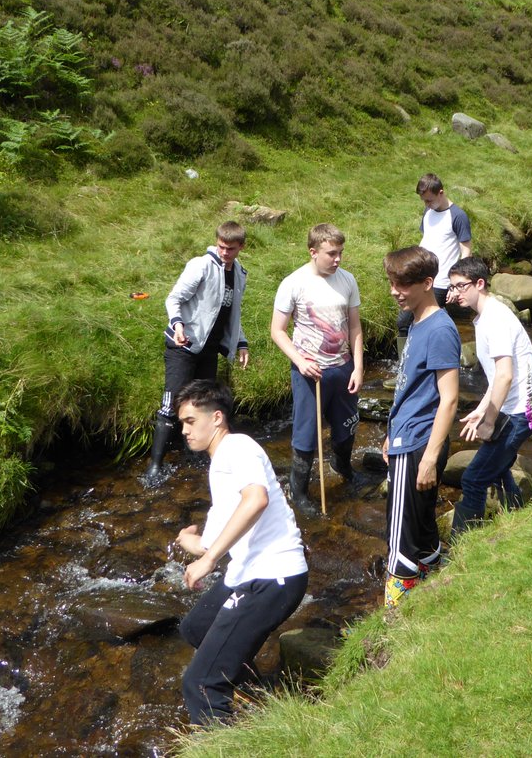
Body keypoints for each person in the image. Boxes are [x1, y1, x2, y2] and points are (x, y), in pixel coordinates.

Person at [171, 380, 308, 728]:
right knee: (196, 628)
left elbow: (256, 500)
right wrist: (193, 544)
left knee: (199, 684)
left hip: (274, 577)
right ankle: (258, 700)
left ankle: (223, 741)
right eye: (182, 423)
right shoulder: (220, 464)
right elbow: (217, 536)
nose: (184, 430)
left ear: (216, 418)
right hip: (250, 573)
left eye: (190, 421)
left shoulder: (237, 447)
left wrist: (209, 559)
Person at [382, 246, 460, 607]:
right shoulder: (415, 320)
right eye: (392, 282)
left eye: (403, 284)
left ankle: (391, 622)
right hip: (406, 434)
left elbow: (449, 399)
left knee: (399, 538)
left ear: (428, 283)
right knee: (423, 527)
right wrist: (389, 433)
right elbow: (410, 386)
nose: (395, 291)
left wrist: (429, 457)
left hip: (418, 443)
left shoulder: (440, 330)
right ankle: (433, 594)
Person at [447, 257, 532, 538]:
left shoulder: (495, 318)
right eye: (453, 287)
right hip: (518, 405)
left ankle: (463, 547)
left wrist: (489, 421)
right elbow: (497, 377)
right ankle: (517, 522)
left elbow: (505, 376)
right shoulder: (484, 315)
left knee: (473, 478)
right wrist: (482, 408)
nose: (455, 293)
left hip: (522, 411)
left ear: (480, 284)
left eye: (461, 286)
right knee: (500, 467)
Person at [271, 224, 364, 517]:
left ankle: (342, 464)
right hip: (310, 373)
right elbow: (277, 331)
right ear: (313, 252)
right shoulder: (293, 283)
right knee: (306, 434)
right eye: (331, 253)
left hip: (343, 368)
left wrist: (359, 367)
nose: (337, 259)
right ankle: (298, 491)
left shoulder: (347, 280)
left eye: (340, 253)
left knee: (346, 426)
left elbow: (354, 326)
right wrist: (300, 361)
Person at [149, 222, 250, 477]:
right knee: (171, 404)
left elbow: (231, 314)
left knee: (202, 405)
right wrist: (177, 324)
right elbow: (174, 298)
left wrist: (240, 342)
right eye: (221, 247)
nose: (225, 253)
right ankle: (155, 466)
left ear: (241, 247)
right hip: (183, 345)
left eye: (231, 248)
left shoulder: (239, 274)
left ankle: (195, 458)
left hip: (209, 349)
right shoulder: (201, 266)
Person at [394, 174, 472, 352]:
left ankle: (415, 367)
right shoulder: (428, 211)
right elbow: (428, 239)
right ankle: (407, 366)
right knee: (405, 323)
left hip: (441, 282)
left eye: (429, 200)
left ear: (441, 193)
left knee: (411, 322)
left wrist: (456, 286)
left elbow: (466, 252)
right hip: (419, 277)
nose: (426, 205)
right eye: (424, 201)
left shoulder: (458, 216)